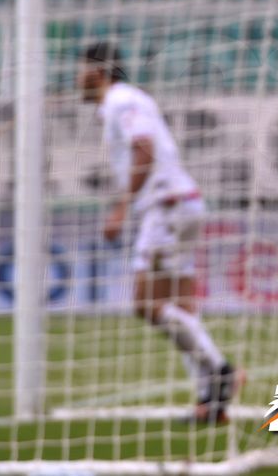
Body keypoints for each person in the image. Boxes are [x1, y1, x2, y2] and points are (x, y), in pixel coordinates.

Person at [79, 41, 243, 425]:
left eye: (81, 69)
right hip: (181, 202)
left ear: (99, 72)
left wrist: (121, 206)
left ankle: (222, 371)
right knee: (181, 309)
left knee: (146, 305)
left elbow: (145, 148)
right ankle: (210, 400)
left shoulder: (121, 100)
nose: (77, 78)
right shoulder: (128, 100)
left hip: (166, 208)